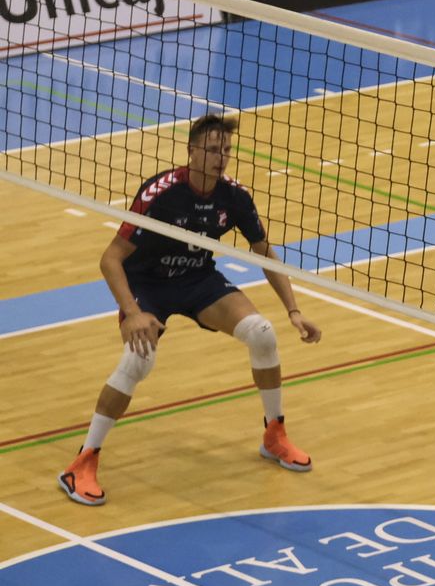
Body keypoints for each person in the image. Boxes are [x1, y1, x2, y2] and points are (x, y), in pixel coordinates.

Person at [57, 114, 321, 507]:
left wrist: (293, 310)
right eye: (212, 150)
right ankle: (82, 462)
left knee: (263, 334)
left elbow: (264, 251)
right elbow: (110, 259)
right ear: (192, 151)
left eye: (226, 150)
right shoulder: (161, 194)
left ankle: (274, 435)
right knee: (138, 361)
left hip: (197, 280)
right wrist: (131, 312)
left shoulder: (234, 196)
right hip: (148, 285)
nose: (221, 157)